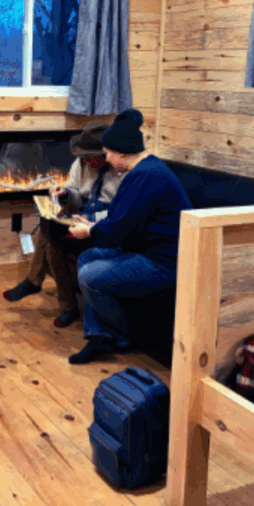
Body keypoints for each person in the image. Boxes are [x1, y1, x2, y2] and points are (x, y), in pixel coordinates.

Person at [64, 108, 193, 364]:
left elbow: (119, 232)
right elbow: (122, 218)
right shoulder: (145, 171)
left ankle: (123, 335)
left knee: (89, 276)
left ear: (121, 151)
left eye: (109, 153)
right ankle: (100, 335)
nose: (108, 159)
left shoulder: (145, 177)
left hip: (164, 262)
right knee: (88, 257)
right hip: (144, 249)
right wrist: (93, 222)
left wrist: (89, 230)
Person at [2, 125, 122, 327]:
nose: (86, 161)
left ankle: (44, 290)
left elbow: (119, 215)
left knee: (50, 240)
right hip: (81, 214)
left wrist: (91, 222)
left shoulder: (122, 174)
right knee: (48, 224)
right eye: (83, 157)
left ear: (106, 154)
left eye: (91, 157)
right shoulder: (82, 163)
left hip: (101, 224)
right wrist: (65, 194)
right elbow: (75, 193)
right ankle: (55, 298)